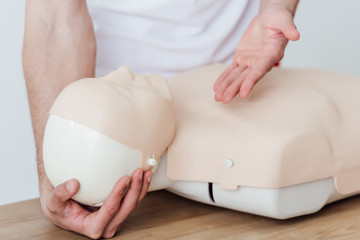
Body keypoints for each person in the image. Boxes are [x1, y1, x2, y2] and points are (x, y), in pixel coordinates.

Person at [22, 0, 299, 238]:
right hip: (115, 141)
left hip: (240, 81)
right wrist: (58, 185)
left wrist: (276, 7)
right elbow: (54, 18)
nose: (124, 71)